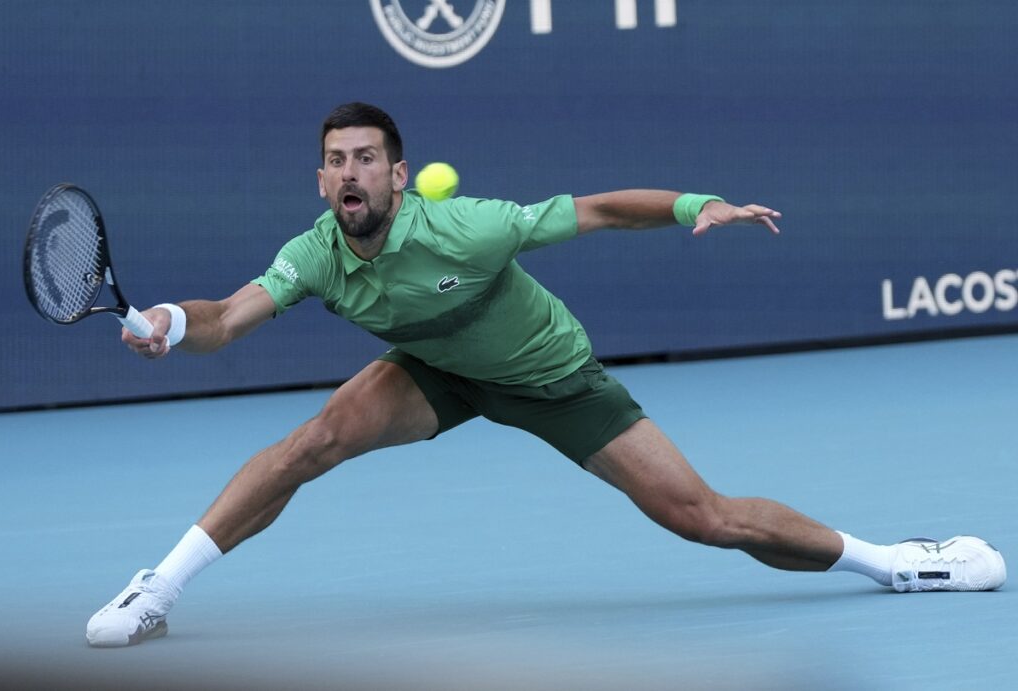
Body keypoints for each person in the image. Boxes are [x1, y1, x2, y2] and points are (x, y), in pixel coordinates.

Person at [86, 102, 1006, 647]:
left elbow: (602, 209)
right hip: (438, 369)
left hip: (551, 375)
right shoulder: (315, 252)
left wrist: (698, 204)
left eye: (367, 158)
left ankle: (899, 563)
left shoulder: (468, 225)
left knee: (703, 518)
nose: (351, 173)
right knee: (311, 442)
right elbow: (227, 317)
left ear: (400, 176)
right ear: (321, 181)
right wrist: (169, 322)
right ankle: (156, 589)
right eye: (336, 162)